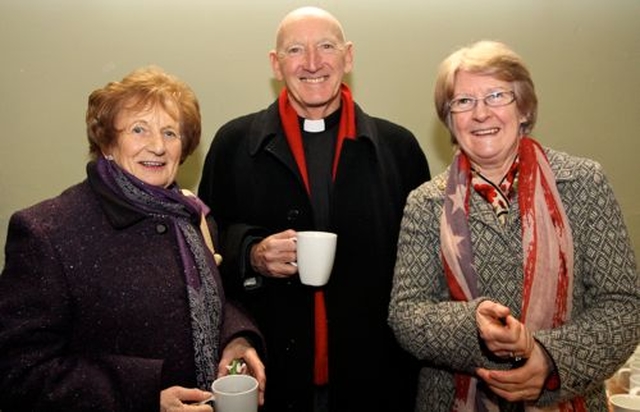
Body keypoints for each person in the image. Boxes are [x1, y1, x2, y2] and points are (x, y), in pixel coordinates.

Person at [197, 6, 430, 412]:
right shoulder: (233, 144)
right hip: (271, 373)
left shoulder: (399, 149)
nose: (312, 64)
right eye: (295, 51)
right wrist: (251, 253)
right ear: (275, 63)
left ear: (348, 56)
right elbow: (203, 250)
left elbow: (426, 267)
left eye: (326, 47)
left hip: (376, 375)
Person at [388, 40, 640, 412]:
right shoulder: (426, 203)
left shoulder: (583, 182)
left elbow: (623, 305)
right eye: (463, 102)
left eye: (496, 96)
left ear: (523, 108)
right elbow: (405, 314)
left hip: (569, 398)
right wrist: (473, 323)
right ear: (450, 121)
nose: (480, 114)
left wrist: (548, 359)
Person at [0, 66, 266, 412]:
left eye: (171, 133)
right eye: (139, 129)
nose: (157, 146)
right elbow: (17, 371)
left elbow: (210, 298)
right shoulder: (47, 232)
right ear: (107, 143)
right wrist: (142, 398)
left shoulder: (191, 216)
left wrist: (236, 339)